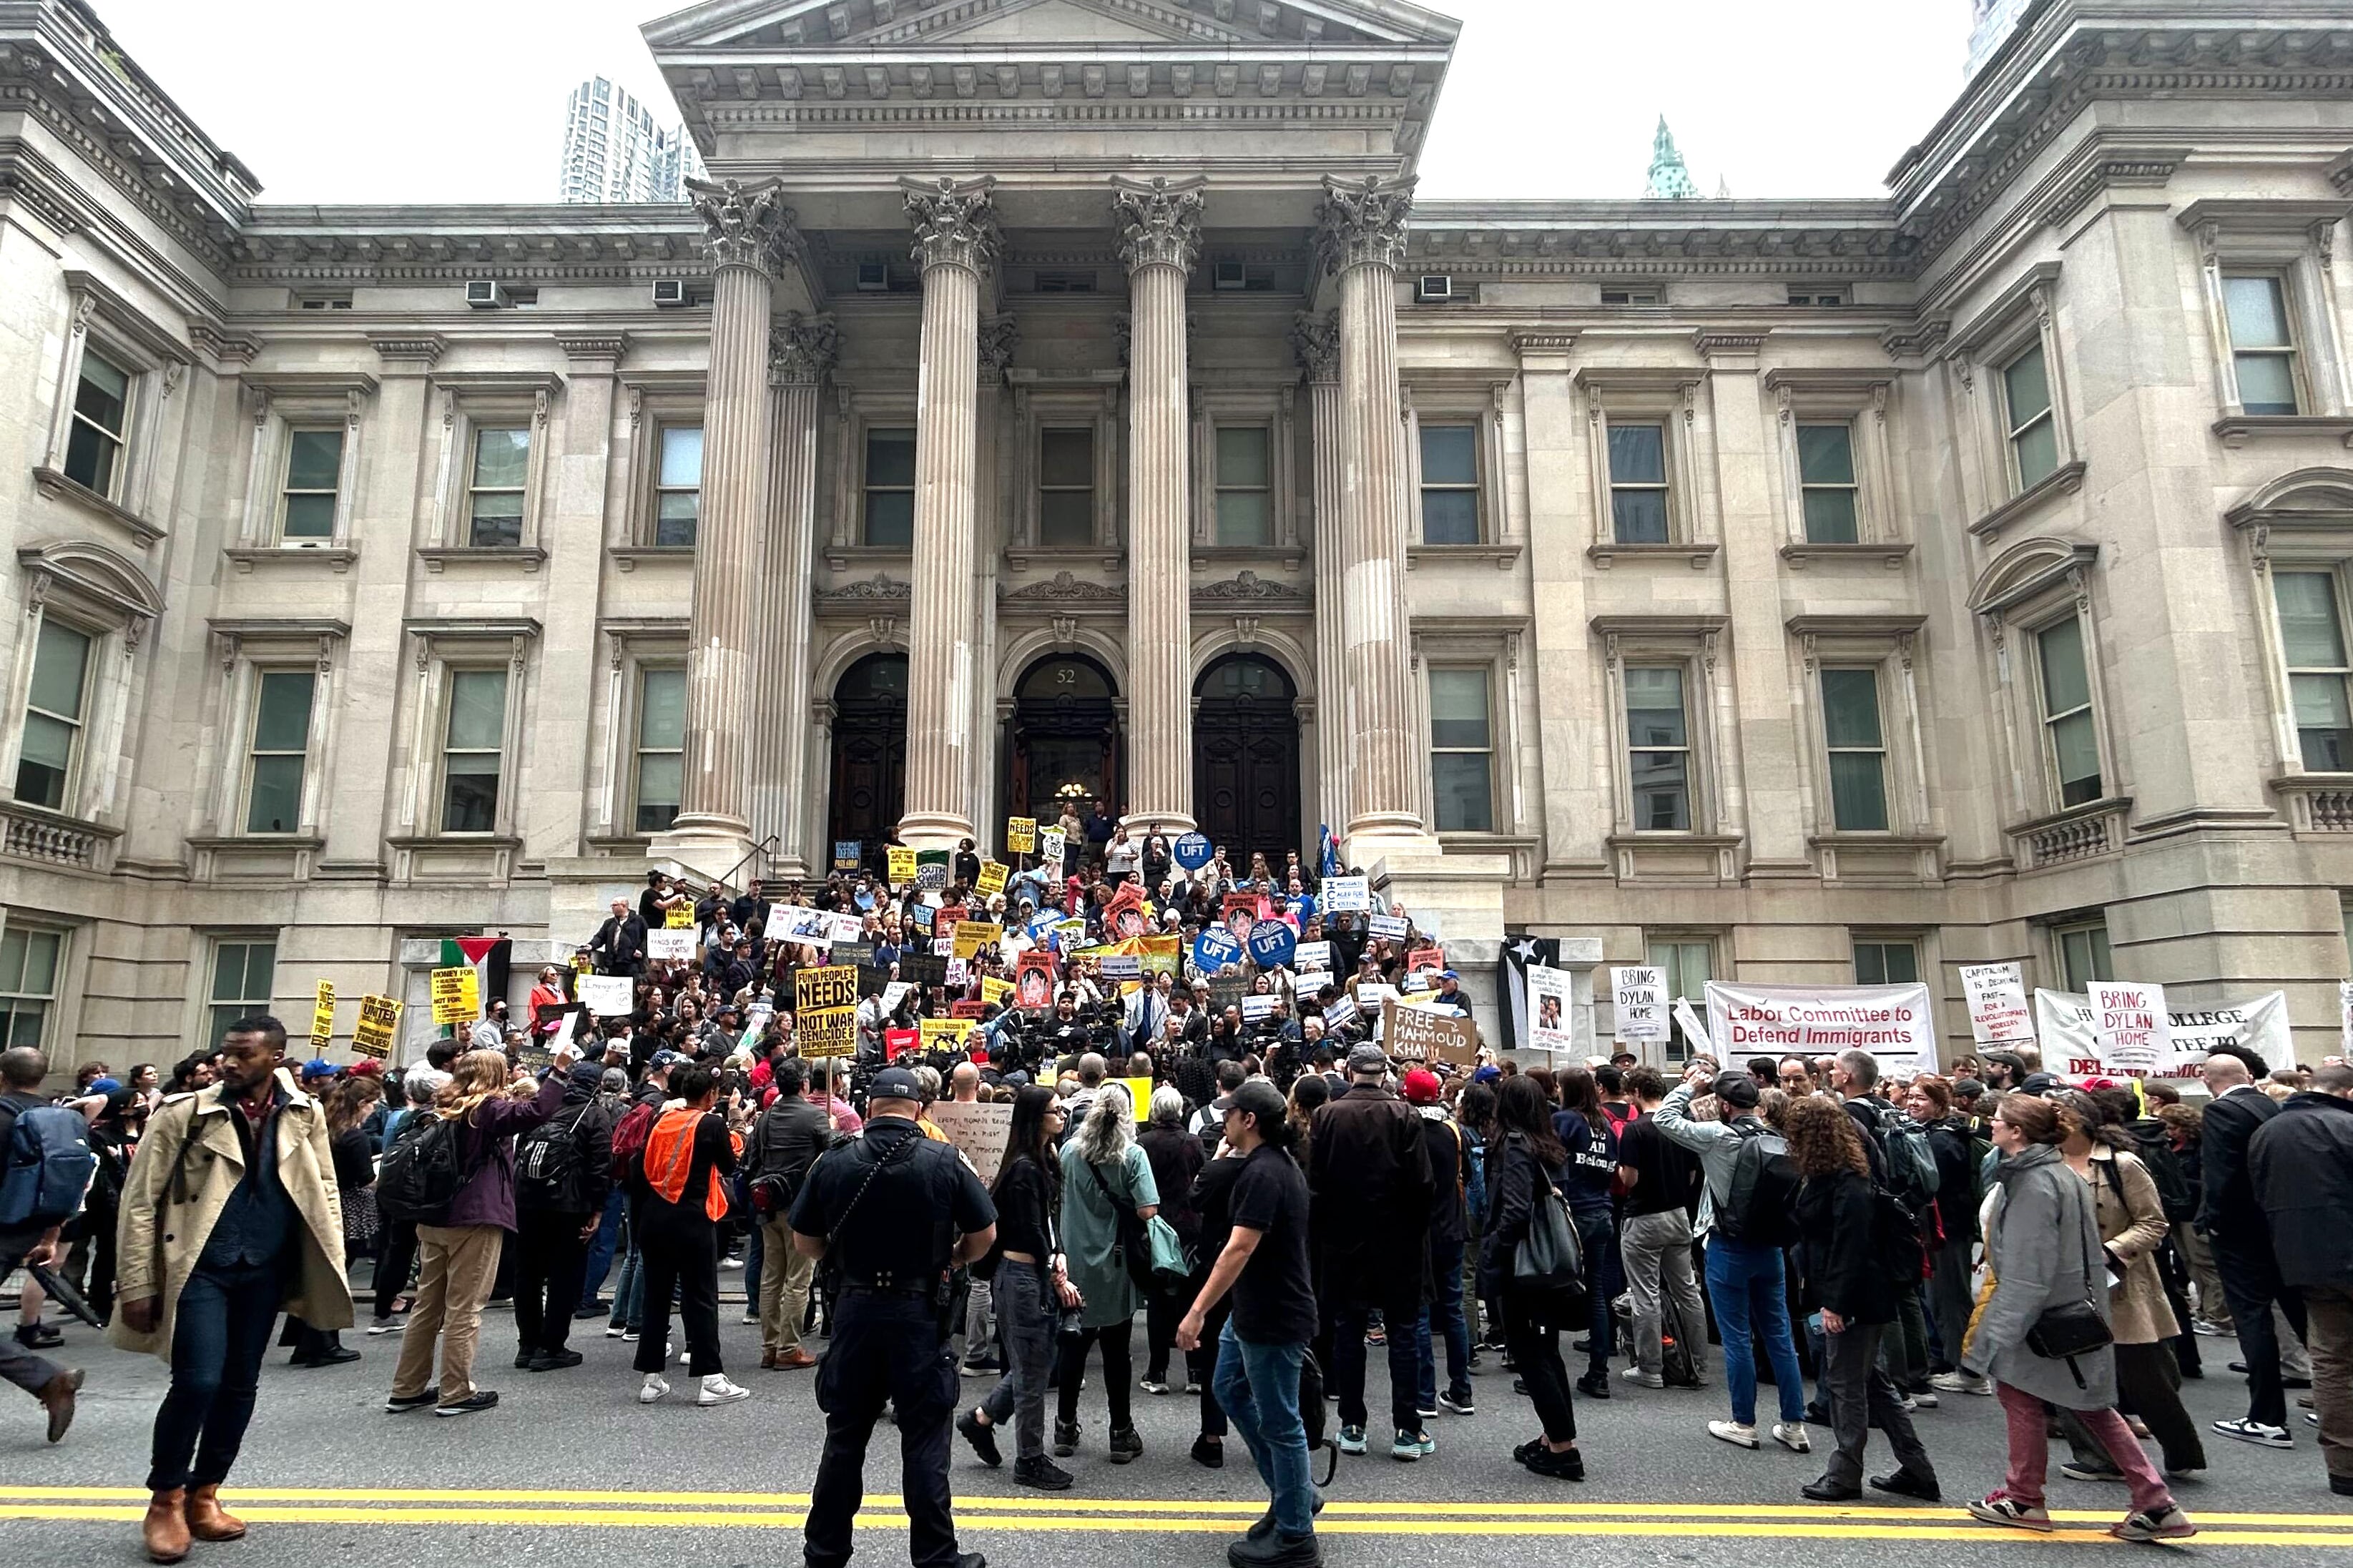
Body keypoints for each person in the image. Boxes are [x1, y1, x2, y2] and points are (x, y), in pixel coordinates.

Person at [111, 1018, 352, 1564]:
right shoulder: (182, 1113)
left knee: (241, 1384)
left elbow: (325, 1190)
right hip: (200, 1265)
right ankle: (165, 1497)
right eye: (226, 1053)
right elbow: (140, 1202)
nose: (229, 1063)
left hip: (265, 1266)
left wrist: (329, 1260)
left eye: (243, 1055)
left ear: (276, 1058)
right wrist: (137, 1282)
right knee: (197, 1380)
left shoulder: (303, 1112)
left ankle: (206, 1491)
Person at [1963, 1094, 2195, 1542]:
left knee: (2026, 1397)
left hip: (2044, 1318)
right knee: (2090, 1406)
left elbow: (2029, 1271)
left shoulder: (2033, 1183)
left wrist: (1994, 1334)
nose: (1990, 1124)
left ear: (2017, 1133)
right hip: (2068, 1311)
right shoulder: (2058, 1172)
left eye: (1999, 1120)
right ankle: (2154, 1501)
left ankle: (2025, 1498)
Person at [790, 1065, 996, 1568]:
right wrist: (953, 1258)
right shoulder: (945, 1157)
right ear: (919, 1111)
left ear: (869, 1108)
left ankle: (825, 1550)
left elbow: (806, 1241)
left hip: (856, 1309)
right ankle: (935, 1555)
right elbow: (985, 1233)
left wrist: (845, 1261)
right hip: (917, 1311)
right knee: (925, 1437)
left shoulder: (833, 1158)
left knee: (845, 1436)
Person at [1178, 1078, 1322, 1568]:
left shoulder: (1266, 1172)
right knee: (1228, 1387)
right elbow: (1207, 1189)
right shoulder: (1261, 1164)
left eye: (1231, 1112)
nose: (1224, 1118)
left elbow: (1239, 1247)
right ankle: (1293, 1494)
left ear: (1249, 1120)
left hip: (1273, 1313)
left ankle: (1297, 1534)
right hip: (1252, 1309)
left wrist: (1196, 1310)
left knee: (1282, 1422)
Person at [385, 1047, 568, 1418]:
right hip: (474, 1216)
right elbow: (536, 1112)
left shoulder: (441, 1107)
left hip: (434, 1216)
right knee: (465, 1307)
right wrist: (560, 1073)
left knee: (427, 1305)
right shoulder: (484, 1110)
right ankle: (455, 1391)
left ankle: (407, 1387)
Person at [1781, 1096, 1938, 1503]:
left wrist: (1835, 1304)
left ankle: (1844, 1474)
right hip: (1847, 1294)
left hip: (1853, 1298)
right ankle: (1917, 1470)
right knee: (1872, 1383)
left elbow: (1850, 1247)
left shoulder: (1849, 1182)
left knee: (1846, 1384)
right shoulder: (1831, 1175)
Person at [1653, 1065, 1812, 1455]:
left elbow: (1664, 1118)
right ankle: (1793, 1424)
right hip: (1771, 1246)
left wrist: (1688, 1087)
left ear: (1724, 1105)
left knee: (1737, 1337)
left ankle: (1744, 1422)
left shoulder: (1717, 1136)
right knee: (1779, 1335)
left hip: (1729, 1244)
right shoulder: (1779, 1138)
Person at [1308, 1042, 1435, 1461]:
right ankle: (1407, 1428)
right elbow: (1422, 1185)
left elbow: (1317, 1183)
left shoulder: (1327, 1116)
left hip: (1344, 1241)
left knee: (1348, 1330)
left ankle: (1352, 1424)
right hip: (1397, 1242)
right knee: (1402, 1333)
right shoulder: (1404, 1114)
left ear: (1350, 1072)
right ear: (1383, 1073)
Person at [959, 1086, 1078, 1489]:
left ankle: (980, 1420)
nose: (1061, 1117)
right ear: (1035, 1118)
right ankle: (1029, 1460)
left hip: (1032, 1274)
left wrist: (1059, 1253)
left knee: (1036, 1364)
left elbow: (1047, 1221)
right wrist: (1057, 1273)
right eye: (1054, 1111)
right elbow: (1028, 1231)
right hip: (1023, 1278)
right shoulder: (1025, 1168)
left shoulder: (1042, 1159)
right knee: (1032, 1374)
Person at [2247, 1060, 2353, 1496]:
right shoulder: (2346, 1128)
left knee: (2331, 1361)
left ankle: (2344, 1464)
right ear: (2347, 1094)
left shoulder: (2267, 1133)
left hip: (2305, 1263)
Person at [2197, 1045, 2307, 1449]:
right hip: (2276, 1225)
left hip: (2241, 1232)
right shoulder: (2271, 1107)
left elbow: (2221, 1175)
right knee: (2298, 1312)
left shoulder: (2222, 1111)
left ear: (2208, 1079)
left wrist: (2217, 1225)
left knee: (2253, 1319)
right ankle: (2337, 1404)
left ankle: (2266, 1418)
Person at [1483, 1073, 1585, 1480]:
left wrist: (1496, 1251)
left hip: (1522, 1267)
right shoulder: (1546, 1143)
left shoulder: (1515, 1147)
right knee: (1546, 1352)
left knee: (1532, 1354)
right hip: (1544, 1266)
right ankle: (1555, 1437)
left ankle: (1562, 1447)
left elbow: (1515, 1211)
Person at [632, 1062, 748, 1406]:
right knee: (700, 1296)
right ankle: (711, 1378)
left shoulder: (660, 1120)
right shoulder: (711, 1123)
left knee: (657, 1296)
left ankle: (651, 1379)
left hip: (654, 1216)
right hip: (692, 1217)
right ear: (711, 1095)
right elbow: (730, 1166)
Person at [1053, 1083, 1159, 1463]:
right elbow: (1148, 1209)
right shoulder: (1132, 1155)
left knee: (1073, 1346)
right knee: (1117, 1351)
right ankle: (1120, 1431)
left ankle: (1065, 1426)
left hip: (1075, 1261)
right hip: (1115, 1262)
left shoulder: (1069, 1152)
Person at [0, 1047, 85, 1443]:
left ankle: (49, 1379)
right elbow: (67, 1185)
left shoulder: (3, 1116)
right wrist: (50, 1237)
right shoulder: (60, 1120)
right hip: (27, 1230)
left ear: (3, 1075)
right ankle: (48, 1381)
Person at [511, 1060, 614, 1374]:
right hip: (570, 1205)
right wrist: (598, 1209)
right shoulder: (595, 1115)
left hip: (528, 1201)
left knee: (527, 1273)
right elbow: (600, 1168)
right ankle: (552, 1345)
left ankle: (527, 1343)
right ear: (596, 1086)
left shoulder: (545, 1107)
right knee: (564, 1275)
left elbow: (520, 1154)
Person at [1616, 1066, 1708, 1390]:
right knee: (1688, 1292)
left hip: (1643, 1217)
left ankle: (1651, 1367)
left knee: (1646, 1295)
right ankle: (1699, 1362)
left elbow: (1630, 1179)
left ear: (1637, 1093)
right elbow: (1693, 1176)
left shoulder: (1634, 1130)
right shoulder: (1681, 1126)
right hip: (1678, 1214)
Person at [748, 1057, 830, 1371]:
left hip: (768, 1205)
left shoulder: (766, 1117)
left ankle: (770, 1347)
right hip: (801, 1207)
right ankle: (789, 1347)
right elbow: (830, 1159)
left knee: (772, 1278)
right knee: (798, 1280)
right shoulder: (815, 1117)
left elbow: (753, 1161)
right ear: (804, 1085)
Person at [1403, 1067, 1474, 1417]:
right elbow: (1469, 1175)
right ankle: (1462, 1390)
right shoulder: (1453, 1132)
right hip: (1452, 1228)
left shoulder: (1407, 1132)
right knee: (1453, 1308)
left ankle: (1425, 1395)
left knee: (1420, 1311)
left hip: (1418, 1232)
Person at [1552, 1065, 1621, 1401]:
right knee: (1595, 1294)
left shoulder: (1564, 1122)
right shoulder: (1604, 1125)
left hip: (1573, 1214)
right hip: (1602, 1212)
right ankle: (1599, 1373)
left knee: (1551, 1290)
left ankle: (1548, 1374)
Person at [1139, 1085, 1206, 1396]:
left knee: (1158, 1301)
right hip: (1190, 1225)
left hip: (1156, 1226)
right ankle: (1195, 1370)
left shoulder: (1144, 1143)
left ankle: (1157, 1371)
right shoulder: (1193, 1143)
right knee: (1192, 1298)